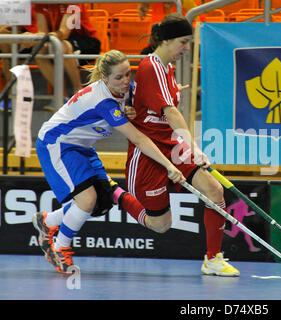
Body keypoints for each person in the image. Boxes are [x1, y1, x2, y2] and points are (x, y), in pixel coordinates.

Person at [32, 49, 185, 274]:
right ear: (105, 78)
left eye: (128, 75)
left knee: (102, 199)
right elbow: (139, 138)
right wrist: (168, 165)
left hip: (82, 146)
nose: (126, 82)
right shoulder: (103, 101)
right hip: (56, 144)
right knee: (86, 200)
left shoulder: (127, 91)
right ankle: (59, 248)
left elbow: (149, 99)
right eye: (119, 77)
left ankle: (47, 221)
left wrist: (172, 94)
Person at [126, 13, 240, 276]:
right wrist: (195, 147)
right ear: (165, 41)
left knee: (214, 191)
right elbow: (171, 112)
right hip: (148, 153)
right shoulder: (151, 65)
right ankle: (116, 195)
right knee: (161, 225)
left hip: (171, 145)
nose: (187, 48)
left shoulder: (167, 68)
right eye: (183, 42)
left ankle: (213, 260)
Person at [33, 3, 101, 104]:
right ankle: (62, 96)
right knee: (38, 51)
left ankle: (78, 92)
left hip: (87, 41)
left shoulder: (74, 3)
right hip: (58, 41)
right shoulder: (40, 4)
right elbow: (42, 32)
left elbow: (64, 32)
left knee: (62, 46)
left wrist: (46, 37)